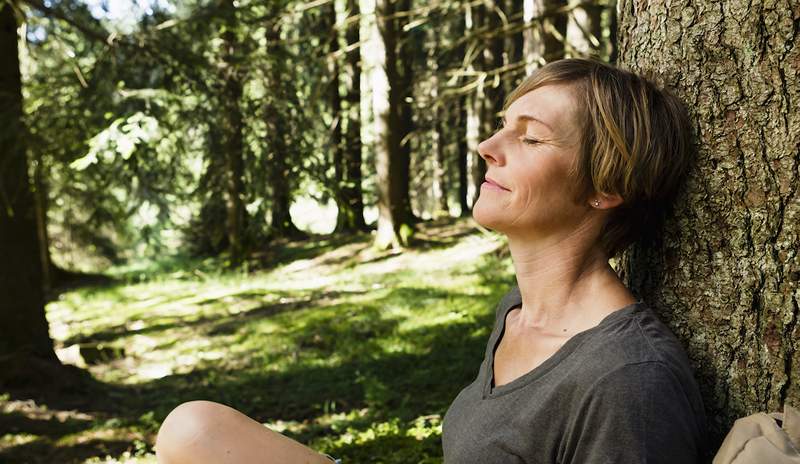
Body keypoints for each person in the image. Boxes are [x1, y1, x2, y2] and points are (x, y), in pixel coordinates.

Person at [154, 58, 708, 464]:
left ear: (605, 187)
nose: (488, 145)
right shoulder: (518, 312)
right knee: (193, 430)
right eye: (502, 125)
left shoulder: (628, 381)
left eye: (531, 138)